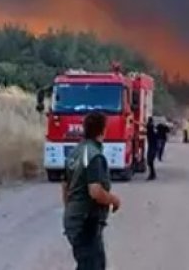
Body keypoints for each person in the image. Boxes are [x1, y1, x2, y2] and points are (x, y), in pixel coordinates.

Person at [63, 111, 121, 270]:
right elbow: (95, 191)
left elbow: (65, 186)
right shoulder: (95, 156)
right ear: (103, 130)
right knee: (92, 265)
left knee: (89, 263)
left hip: (75, 219)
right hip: (86, 222)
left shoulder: (75, 152)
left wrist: (71, 210)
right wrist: (114, 200)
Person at [145, 116, 159, 180]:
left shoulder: (150, 127)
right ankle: (152, 174)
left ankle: (152, 175)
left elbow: (146, 125)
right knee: (150, 162)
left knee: (149, 161)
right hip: (153, 146)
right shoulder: (152, 128)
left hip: (153, 147)